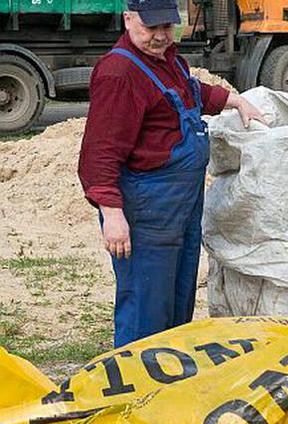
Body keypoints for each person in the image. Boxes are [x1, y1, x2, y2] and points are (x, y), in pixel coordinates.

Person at [78, 0, 265, 348]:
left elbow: (192, 94)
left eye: (167, 27)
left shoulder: (169, 62)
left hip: (181, 208)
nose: (161, 36)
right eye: (152, 28)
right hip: (146, 212)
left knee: (177, 304)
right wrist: (112, 214)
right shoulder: (119, 73)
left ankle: (168, 380)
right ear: (128, 19)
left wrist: (234, 101)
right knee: (146, 311)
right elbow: (99, 153)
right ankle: (135, 388)